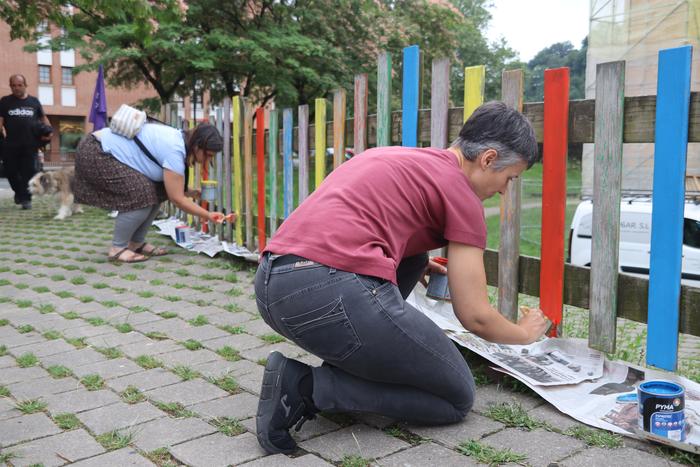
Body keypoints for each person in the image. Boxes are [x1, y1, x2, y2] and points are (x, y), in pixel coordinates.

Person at [253, 101, 551, 454]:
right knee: (456, 396)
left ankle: (347, 367)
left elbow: (355, 220)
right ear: (487, 159)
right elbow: (474, 316)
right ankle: (306, 387)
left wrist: (414, 260)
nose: (504, 191)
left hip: (273, 286)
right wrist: (523, 334)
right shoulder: (462, 194)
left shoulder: (401, 158)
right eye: (509, 178)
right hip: (328, 294)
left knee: (414, 258)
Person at [74, 121, 231, 263]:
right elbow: (177, 198)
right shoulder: (175, 150)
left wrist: (191, 192)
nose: (207, 161)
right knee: (139, 194)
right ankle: (117, 248)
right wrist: (208, 215)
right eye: (208, 155)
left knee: (157, 192)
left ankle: (136, 243)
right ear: (197, 146)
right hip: (96, 151)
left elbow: (171, 188)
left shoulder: (179, 142)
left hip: (104, 150)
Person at [0, 74, 52, 209]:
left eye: (19, 85)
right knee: (10, 172)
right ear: (10, 86)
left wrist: (49, 131)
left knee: (28, 172)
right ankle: (18, 192)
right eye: (13, 85)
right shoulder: (5, 101)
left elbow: (43, 118)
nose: (16, 88)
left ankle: (26, 199)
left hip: (30, 145)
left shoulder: (34, 102)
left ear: (25, 85)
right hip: (10, 145)